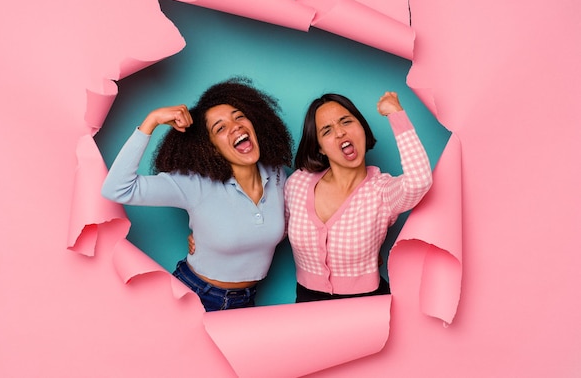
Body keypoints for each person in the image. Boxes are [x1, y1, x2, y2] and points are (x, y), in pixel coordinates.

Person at [101, 77, 293, 311]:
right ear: (211, 146)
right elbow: (117, 189)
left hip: (246, 300)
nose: (236, 126)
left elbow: (281, 223)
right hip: (196, 295)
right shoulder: (194, 184)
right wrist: (151, 122)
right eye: (220, 128)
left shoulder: (276, 174)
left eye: (239, 116)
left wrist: (208, 237)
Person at [284, 91, 432, 303]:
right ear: (320, 148)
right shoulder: (298, 183)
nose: (339, 133)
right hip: (307, 302)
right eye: (327, 130)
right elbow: (277, 227)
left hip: (367, 305)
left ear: (362, 128)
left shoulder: (381, 191)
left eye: (346, 122)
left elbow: (420, 181)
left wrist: (396, 114)